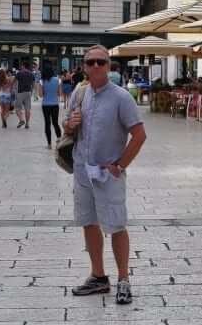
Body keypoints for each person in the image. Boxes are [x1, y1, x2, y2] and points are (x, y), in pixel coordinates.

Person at [64, 45, 146, 305]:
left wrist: (120, 165)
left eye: (101, 62)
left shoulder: (121, 97)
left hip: (108, 173)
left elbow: (140, 134)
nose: (96, 66)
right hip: (82, 170)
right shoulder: (79, 94)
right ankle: (98, 276)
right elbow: (65, 126)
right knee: (89, 222)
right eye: (91, 62)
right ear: (84, 67)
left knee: (116, 224)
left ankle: (124, 279)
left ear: (109, 66)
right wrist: (70, 124)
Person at [39, 65, 62, 149]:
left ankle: (49, 144)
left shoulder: (42, 81)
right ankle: (59, 141)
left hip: (45, 105)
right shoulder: (58, 80)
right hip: (55, 104)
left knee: (47, 123)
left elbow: (40, 95)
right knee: (55, 122)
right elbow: (60, 94)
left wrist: (46, 92)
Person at [14, 61, 34, 129]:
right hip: (28, 92)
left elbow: (14, 81)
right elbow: (33, 84)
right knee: (27, 109)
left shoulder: (19, 73)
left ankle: (21, 120)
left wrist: (12, 89)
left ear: (23, 66)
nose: (21, 67)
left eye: (22, 66)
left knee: (17, 108)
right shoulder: (31, 74)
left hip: (20, 92)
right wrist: (31, 91)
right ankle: (27, 124)